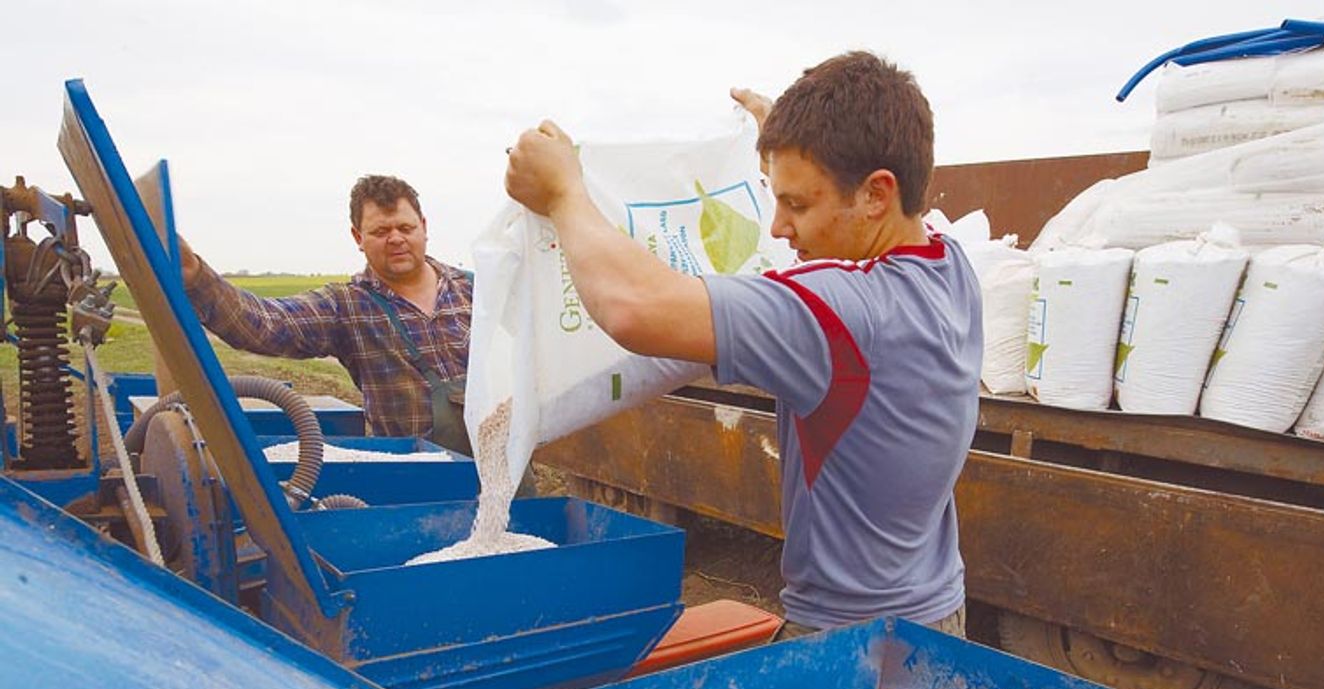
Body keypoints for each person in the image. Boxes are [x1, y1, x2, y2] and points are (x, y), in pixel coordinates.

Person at [504, 51, 982, 638]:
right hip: (937, 610)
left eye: (798, 204)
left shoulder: (839, 313)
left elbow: (634, 307)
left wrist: (563, 194)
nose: (778, 226)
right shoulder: (947, 264)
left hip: (854, 640)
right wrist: (789, 141)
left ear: (876, 195)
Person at [179, 174, 478, 455]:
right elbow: (266, 323)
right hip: (428, 486)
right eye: (380, 231)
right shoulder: (347, 306)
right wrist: (194, 275)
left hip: (507, 473)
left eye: (405, 228)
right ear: (357, 237)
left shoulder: (478, 290)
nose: (396, 239)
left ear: (424, 226)